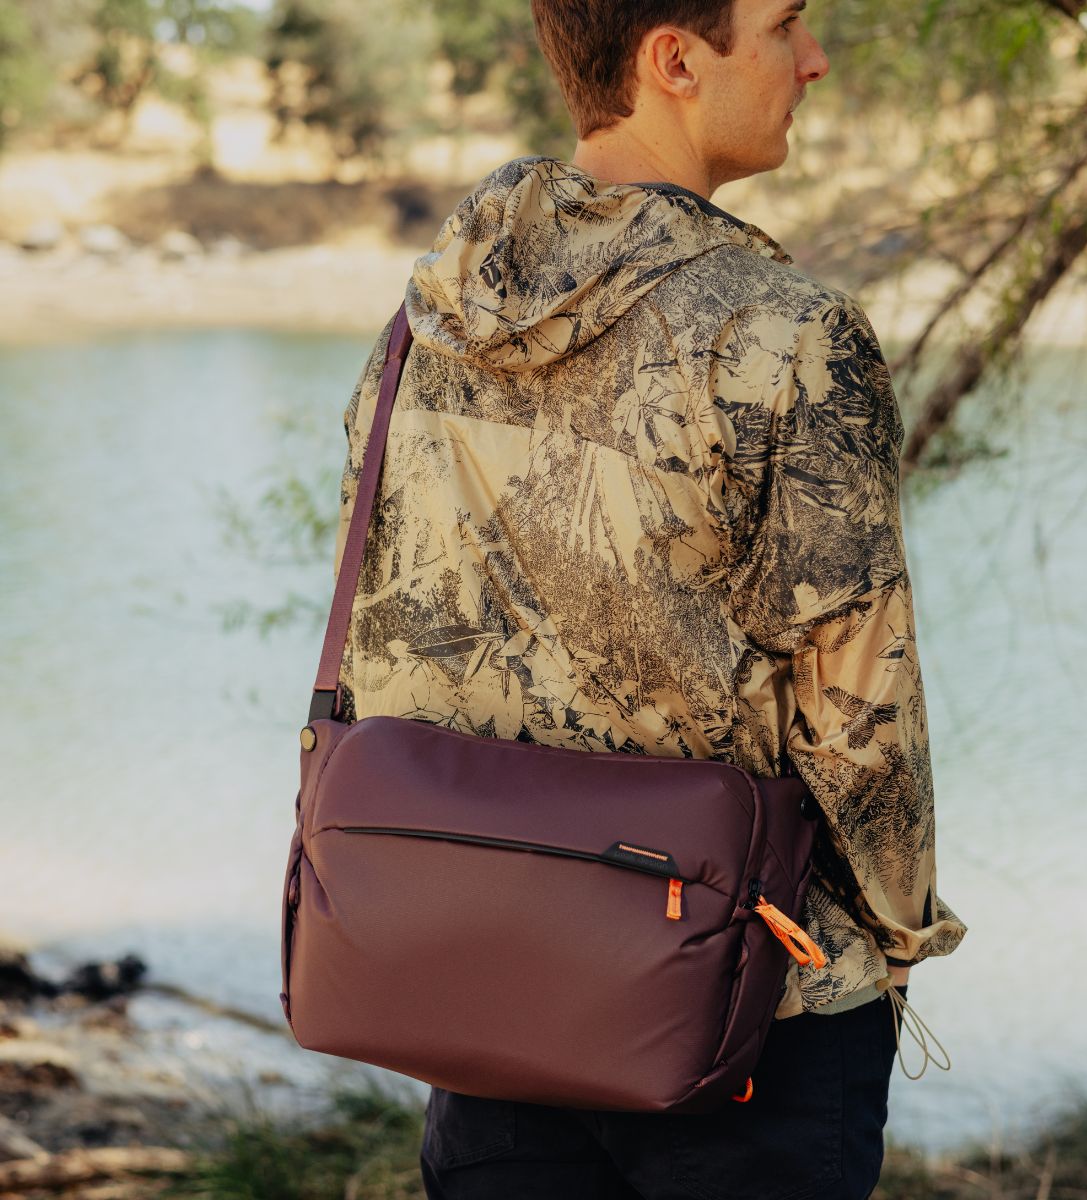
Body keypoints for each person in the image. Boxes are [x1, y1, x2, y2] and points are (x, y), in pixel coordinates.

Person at [331, 1, 968, 1195]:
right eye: (783, 26)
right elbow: (859, 703)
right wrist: (895, 939)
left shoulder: (423, 327)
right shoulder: (785, 335)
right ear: (674, 59)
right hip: (747, 1014)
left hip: (483, 986)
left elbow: (380, 650)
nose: (815, 60)